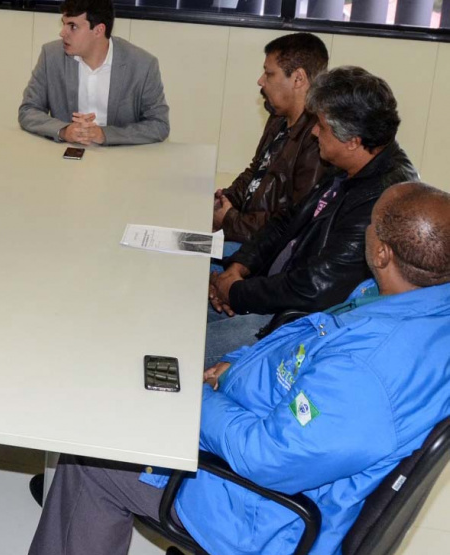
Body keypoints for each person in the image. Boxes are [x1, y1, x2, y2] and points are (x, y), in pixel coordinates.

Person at [30, 181, 450, 555]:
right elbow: (302, 350)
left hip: (263, 516)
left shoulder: (369, 372)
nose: (366, 232)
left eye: (371, 226)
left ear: (381, 252)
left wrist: (196, 400)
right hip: (265, 434)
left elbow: (269, 458)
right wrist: (230, 368)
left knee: (94, 454)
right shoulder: (407, 303)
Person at [205, 66, 418, 367]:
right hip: (275, 283)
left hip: (296, 321)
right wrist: (238, 268)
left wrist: (237, 291)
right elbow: (285, 221)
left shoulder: (382, 200)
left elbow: (315, 287)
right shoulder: (349, 162)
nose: (314, 132)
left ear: (353, 140)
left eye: (321, 125)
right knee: (184, 290)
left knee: (190, 346)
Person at [213, 33, 329, 249]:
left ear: (298, 78)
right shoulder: (278, 118)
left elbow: (294, 221)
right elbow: (255, 171)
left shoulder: (317, 138)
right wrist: (221, 202)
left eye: (269, 74)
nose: (260, 80)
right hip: (240, 228)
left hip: (260, 248)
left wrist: (229, 220)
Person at [18, 0, 169, 146]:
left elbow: (159, 125)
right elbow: (28, 110)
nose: (62, 33)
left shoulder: (143, 65)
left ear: (98, 30)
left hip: (121, 159)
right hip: (65, 157)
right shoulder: (51, 56)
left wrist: (104, 135)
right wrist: (64, 130)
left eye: (73, 26)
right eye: (64, 24)